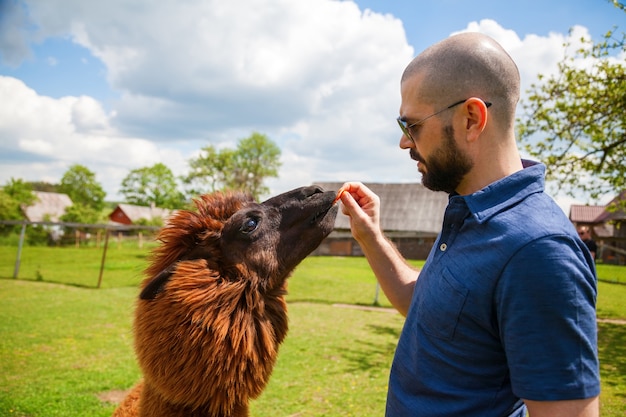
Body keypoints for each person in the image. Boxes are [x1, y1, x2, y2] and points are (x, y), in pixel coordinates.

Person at [338, 32, 600, 417]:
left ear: (472, 119)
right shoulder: (469, 212)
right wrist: (370, 235)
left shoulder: (538, 250)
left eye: (411, 125)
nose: (403, 143)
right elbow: (428, 309)